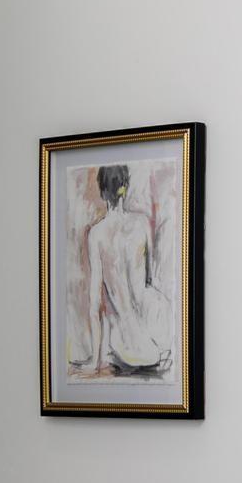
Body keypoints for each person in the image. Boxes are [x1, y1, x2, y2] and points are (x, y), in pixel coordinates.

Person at [77, 162, 171, 379]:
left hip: (123, 347)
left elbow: (94, 304)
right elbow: (147, 281)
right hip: (156, 340)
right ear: (125, 187)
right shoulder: (141, 223)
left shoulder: (97, 234)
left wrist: (95, 360)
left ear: (102, 191)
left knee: (115, 316)